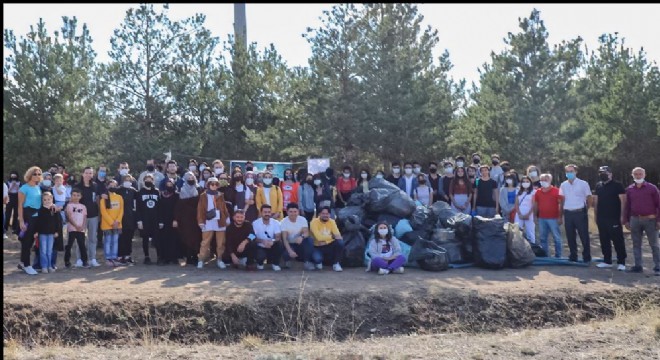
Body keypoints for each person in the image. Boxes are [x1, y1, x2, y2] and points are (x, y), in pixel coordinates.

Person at [622, 167, 659, 275]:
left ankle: (658, 266)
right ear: (632, 175)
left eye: (640, 174)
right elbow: (627, 206)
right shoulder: (629, 189)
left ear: (645, 175)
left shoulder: (652, 188)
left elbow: (659, 204)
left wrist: (658, 220)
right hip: (635, 220)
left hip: (650, 220)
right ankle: (638, 266)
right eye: (636, 174)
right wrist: (626, 220)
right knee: (636, 244)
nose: (638, 176)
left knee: (654, 245)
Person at [592, 166, 627, 270]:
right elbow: (596, 201)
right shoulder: (598, 185)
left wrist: (622, 216)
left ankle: (621, 262)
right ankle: (607, 261)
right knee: (604, 240)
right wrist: (595, 215)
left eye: (605, 172)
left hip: (614, 217)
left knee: (618, 240)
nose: (603, 174)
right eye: (600, 172)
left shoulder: (618, 185)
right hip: (602, 218)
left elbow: (623, 202)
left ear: (610, 174)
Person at [559, 164, 592, 263]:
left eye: (571, 171)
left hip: (580, 212)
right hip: (568, 213)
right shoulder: (563, 185)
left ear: (576, 172)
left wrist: (587, 208)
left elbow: (589, 197)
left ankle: (586, 256)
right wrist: (561, 214)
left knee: (584, 235)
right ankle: (573, 255)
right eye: (567, 172)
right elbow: (562, 200)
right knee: (570, 236)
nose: (569, 173)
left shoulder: (583, 183)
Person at [196, 177, 230, 269]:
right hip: (208, 220)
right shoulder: (203, 195)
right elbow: (200, 210)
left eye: (216, 184)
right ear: (208, 185)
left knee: (221, 243)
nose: (214, 186)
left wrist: (227, 218)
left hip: (220, 220)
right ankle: (201, 260)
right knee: (205, 242)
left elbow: (224, 208)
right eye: (212, 184)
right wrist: (201, 221)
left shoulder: (220, 195)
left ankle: (219, 259)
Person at [17, 167, 44, 275]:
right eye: (35, 174)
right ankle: (27, 265)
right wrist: (21, 221)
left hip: (37, 215)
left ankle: (23, 262)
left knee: (32, 241)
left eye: (39, 174)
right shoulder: (24, 188)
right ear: (30, 175)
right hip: (28, 214)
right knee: (26, 241)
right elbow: (20, 206)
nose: (37, 176)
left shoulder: (38, 187)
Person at [175, 172, 203, 266]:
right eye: (189, 177)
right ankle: (188, 257)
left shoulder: (199, 189)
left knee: (197, 237)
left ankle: (195, 256)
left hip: (196, 217)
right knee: (186, 237)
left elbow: (201, 203)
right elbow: (179, 206)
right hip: (185, 219)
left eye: (192, 177)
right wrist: (176, 219)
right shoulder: (181, 190)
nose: (190, 179)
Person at [533, 174, 564, 258]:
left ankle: (558, 256)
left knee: (557, 238)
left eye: (546, 180)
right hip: (542, 218)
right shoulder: (538, 192)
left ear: (550, 180)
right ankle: (545, 256)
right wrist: (535, 216)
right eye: (542, 180)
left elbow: (561, 205)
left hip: (554, 218)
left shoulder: (557, 191)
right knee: (543, 238)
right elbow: (536, 204)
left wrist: (560, 217)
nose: (544, 181)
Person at [75, 167, 101, 267]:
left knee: (92, 238)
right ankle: (79, 259)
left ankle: (92, 259)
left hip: (93, 215)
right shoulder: (77, 186)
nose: (88, 175)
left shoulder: (95, 186)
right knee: (80, 238)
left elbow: (97, 200)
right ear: (83, 174)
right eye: (86, 173)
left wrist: (99, 214)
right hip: (80, 217)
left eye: (90, 173)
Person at [280, 203, 315, 270]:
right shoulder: (283, 222)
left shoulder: (303, 220)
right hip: (289, 244)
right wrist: (290, 251)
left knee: (309, 240)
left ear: (298, 212)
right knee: (286, 253)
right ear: (287, 212)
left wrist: (302, 237)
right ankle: (287, 261)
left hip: (299, 243)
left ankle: (307, 261)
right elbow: (285, 239)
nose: (293, 214)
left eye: (295, 211)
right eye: (291, 212)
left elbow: (306, 233)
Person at [34, 192, 62, 273]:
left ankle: (50, 266)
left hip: (51, 233)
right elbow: (37, 222)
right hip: (42, 233)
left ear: (52, 199)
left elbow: (57, 222)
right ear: (42, 200)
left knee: (49, 251)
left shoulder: (54, 209)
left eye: (49, 199)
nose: (47, 201)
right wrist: (36, 231)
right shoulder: (40, 210)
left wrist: (57, 231)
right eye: (45, 200)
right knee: (43, 251)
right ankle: (44, 266)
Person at [309, 206, 344, 271]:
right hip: (317, 247)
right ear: (319, 214)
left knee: (340, 242)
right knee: (318, 261)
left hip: (328, 245)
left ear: (330, 214)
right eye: (323, 213)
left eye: (327, 213)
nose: (325, 215)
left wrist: (326, 242)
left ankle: (336, 263)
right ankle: (317, 262)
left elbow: (338, 236)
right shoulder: (314, 222)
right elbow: (318, 237)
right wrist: (332, 237)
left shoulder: (332, 222)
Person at [136, 173, 160, 265]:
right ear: (144, 181)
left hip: (155, 219)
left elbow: (159, 207)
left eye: (150, 180)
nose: (148, 181)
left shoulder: (157, 191)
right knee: (145, 239)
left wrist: (160, 220)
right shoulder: (140, 192)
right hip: (144, 219)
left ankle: (158, 256)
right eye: (146, 180)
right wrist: (139, 221)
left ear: (153, 181)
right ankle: (146, 257)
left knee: (157, 239)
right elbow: (138, 208)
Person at [100, 180, 124, 267]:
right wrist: (111, 222)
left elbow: (121, 210)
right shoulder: (104, 198)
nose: (113, 187)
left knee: (115, 241)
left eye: (114, 185)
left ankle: (114, 257)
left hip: (117, 224)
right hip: (107, 225)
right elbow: (103, 212)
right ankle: (108, 258)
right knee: (108, 241)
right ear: (107, 186)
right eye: (111, 185)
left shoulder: (119, 197)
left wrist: (117, 221)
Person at [252, 204, 283, 271]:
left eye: (269, 212)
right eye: (265, 212)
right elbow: (251, 237)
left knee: (280, 244)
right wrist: (263, 241)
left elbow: (278, 236)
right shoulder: (255, 223)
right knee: (252, 245)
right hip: (260, 246)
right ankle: (260, 263)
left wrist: (273, 241)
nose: (267, 214)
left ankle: (275, 264)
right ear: (261, 213)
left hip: (272, 245)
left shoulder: (276, 223)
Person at [64, 188, 89, 268]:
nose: (76, 197)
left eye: (78, 195)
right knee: (69, 245)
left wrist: (82, 226)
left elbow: (85, 217)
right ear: (71, 196)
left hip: (81, 229)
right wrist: (75, 225)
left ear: (81, 196)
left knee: (82, 245)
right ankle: (67, 261)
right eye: (74, 195)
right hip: (72, 228)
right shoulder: (69, 206)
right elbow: (69, 217)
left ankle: (84, 261)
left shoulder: (83, 206)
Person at [116, 174, 137, 265]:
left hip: (131, 217)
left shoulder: (133, 191)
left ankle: (128, 256)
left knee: (129, 237)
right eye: (126, 180)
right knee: (121, 238)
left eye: (129, 180)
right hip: (120, 217)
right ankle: (120, 256)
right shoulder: (118, 190)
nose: (128, 181)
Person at [514, 176, 536, 244]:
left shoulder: (533, 191)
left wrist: (528, 214)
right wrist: (519, 214)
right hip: (519, 213)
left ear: (530, 183)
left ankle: (532, 247)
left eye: (527, 181)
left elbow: (534, 204)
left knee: (530, 232)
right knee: (517, 231)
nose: (525, 183)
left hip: (529, 213)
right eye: (523, 182)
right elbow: (516, 204)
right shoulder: (518, 190)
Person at [5, 171, 22, 236]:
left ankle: (14, 227)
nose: (13, 178)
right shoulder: (7, 183)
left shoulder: (19, 183)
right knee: (8, 213)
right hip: (9, 197)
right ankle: (6, 227)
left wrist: (16, 186)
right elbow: (7, 191)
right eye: (12, 177)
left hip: (16, 198)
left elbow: (21, 191)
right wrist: (12, 186)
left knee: (16, 213)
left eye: (15, 177)